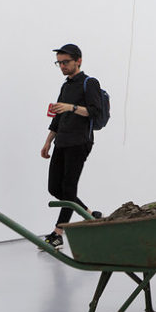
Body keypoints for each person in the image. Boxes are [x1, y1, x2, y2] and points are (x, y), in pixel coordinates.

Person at [39, 44, 105, 249]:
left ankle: (58, 233)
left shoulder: (89, 83)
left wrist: (72, 107)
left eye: (65, 62)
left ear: (79, 61)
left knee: (68, 188)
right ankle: (89, 214)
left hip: (80, 141)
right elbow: (58, 116)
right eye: (59, 63)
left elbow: (95, 111)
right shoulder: (65, 86)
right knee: (54, 188)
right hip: (62, 141)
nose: (62, 66)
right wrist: (48, 140)